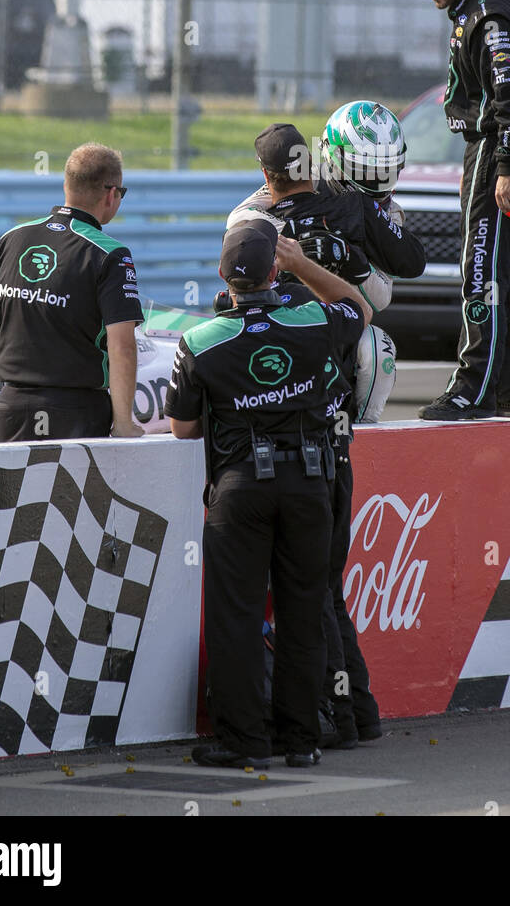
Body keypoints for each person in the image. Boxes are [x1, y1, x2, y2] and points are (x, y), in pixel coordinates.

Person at [227, 112, 425, 746]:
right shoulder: (347, 207)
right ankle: (352, 713)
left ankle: (327, 721)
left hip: (281, 438)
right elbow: (376, 296)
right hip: (330, 429)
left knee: (309, 590)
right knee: (321, 586)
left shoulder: (250, 222)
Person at [165, 219, 368, 771]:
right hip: (309, 485)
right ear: (275, 271)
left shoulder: (200, 340)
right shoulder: (310, 318)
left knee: (236, 616)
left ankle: (244, 741)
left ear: (224, 279)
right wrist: (303, 263)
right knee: (304, 613)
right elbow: (360, 308)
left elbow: (182, 429)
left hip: (240, 491)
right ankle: (302, 740)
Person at [406, 0, 510, 419]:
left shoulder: (487, 14)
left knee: (483, 268)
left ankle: (471, 388)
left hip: (500, 147)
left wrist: (504, 167)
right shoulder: (472, 10)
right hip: (494, 149)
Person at [228, 109, 426, 423]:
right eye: (366, 171)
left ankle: (363, 430)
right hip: (284, 308)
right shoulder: (306, 180)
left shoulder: (385, 213)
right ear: (335, 159)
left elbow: (381, 296)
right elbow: (239, 222)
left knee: (378, 348)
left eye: (387, 170)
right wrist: (297, 235)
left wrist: (347, 256)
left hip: (340, 313)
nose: (377, 182)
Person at [0, 142, 143, 441]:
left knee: (18, 489)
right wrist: (123, 424)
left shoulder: (11, 238)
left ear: (66, 185)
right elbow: (122, 348)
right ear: (111, 194)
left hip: (12, 405)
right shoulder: (111, 254)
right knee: (76, 491)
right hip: (77, 408)